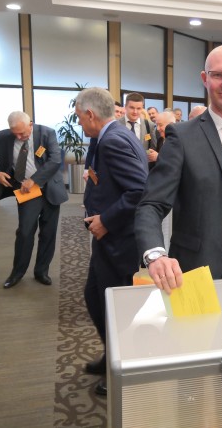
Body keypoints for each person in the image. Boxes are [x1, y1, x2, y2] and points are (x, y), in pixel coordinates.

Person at [135, 44, 222, 291]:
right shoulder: (181, 137)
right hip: (196, 270)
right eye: (218, 75)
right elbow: (151, 204)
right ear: (205, 78)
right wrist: (155, 255)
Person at [77, 87, 148, 396]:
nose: (79, 123)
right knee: (95, 296)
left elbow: (139, 190)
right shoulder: (110, 135)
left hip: (119, 237)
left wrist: (106, 220)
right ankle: (112, 355)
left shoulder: (113, 140)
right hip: (109, 236)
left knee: (116, 307)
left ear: (90, 114)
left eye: (79, 117)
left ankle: (123, 367)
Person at [0, 111, 68, 288]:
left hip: (49, 188)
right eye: (15, 134)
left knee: (48, 232)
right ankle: (17, 273)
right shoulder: (3, 137)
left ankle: (41, 271)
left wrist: (34, 180)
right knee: (25, 232)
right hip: (26, 191)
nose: (19, 137)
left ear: (30, 124)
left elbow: (55, 160)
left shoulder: (47, 133)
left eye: (22, 133)